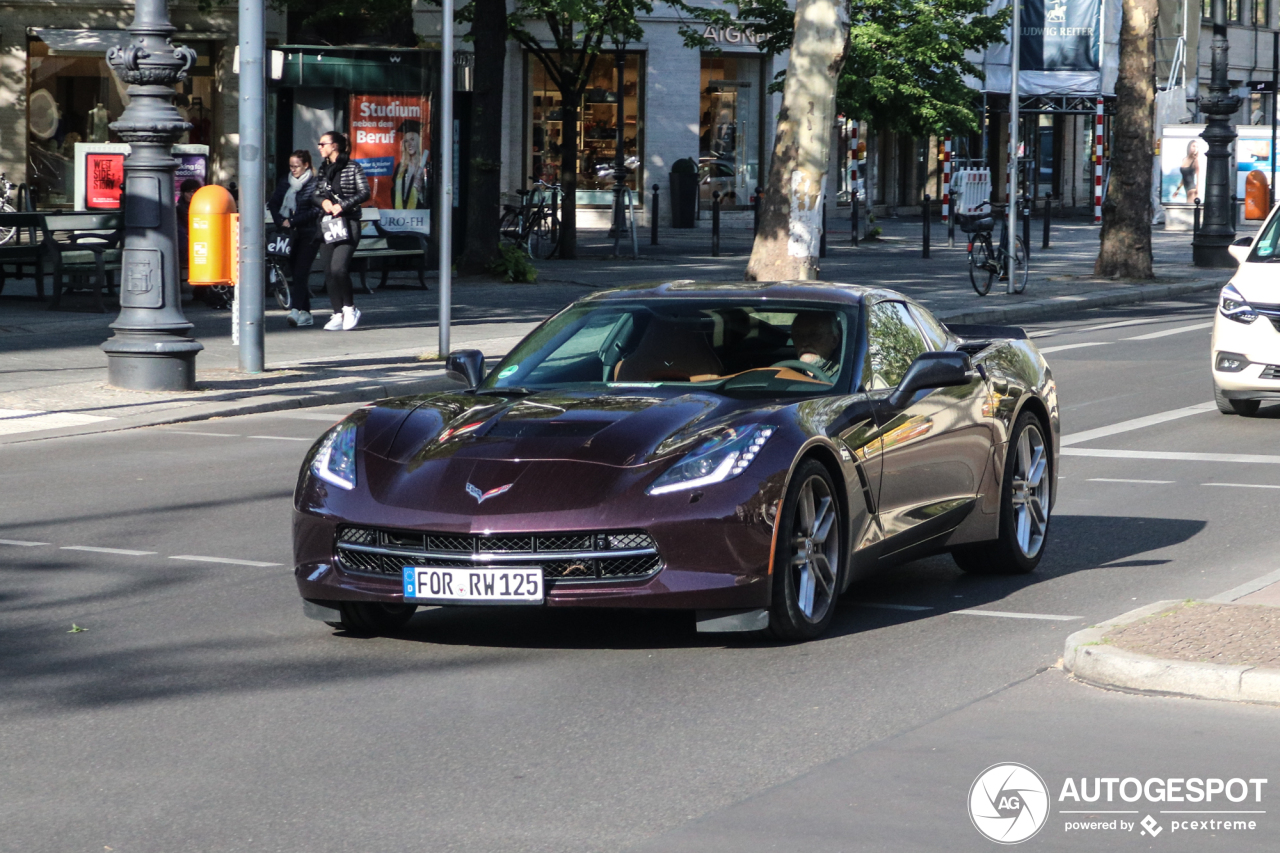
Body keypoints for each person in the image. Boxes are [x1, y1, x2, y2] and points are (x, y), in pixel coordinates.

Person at [314, 130, 370, 331]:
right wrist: (324, 202)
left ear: (334, 146)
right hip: (329, 224)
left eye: (322, 144)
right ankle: (337, 312)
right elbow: (316, 193)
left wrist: (343, 205)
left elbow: (365, 192)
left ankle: (350, 308)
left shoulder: (353, 167)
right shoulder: (324, 168)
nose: (319, 147)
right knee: (328, 270)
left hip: (348, 223)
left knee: (339, 268)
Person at [269, 149, 322, 326]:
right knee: (295, 272)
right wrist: (281, 221)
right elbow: (274, 203)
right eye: (291, 166)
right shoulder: (286, 181)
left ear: (306, 165)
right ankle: (306, 313)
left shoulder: (314, 183)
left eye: (297, 166)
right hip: (289, 235)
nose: (293, 170)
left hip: (308, 233)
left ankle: (295, 310)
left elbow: (316, 209)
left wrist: (292, 220)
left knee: (301, 271)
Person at [787, 311, 842, 379]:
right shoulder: (786, 374)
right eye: (798, 335)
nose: (804, 342)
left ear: (834, 340)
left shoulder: (843, 377)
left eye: (814, 335)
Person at [392, 120, 426, 209]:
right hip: (401, 213)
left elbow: (431, 195)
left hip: (419, 213)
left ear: (418, 142)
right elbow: (394, 191)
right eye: (406, 141)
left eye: (412, 139)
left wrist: (421, 190)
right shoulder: (400, 167)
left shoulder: (424, 166)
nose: (409, 144)